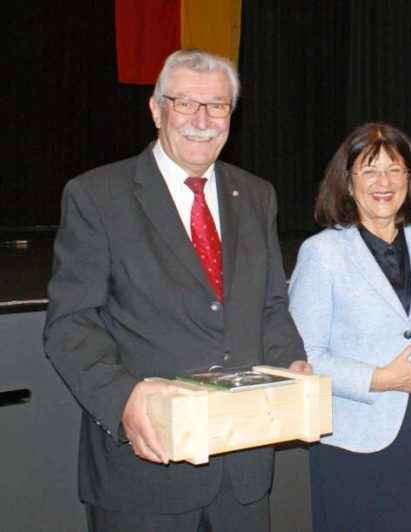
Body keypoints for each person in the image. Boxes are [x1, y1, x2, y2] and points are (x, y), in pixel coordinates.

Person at [43, 48, 309, 531]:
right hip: (146, 468)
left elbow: (271, 305)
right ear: (155, 108)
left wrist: (291, 363)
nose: (202, 120)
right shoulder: (96, 196)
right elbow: (71, 324)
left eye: (218, 105)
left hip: (243, 471)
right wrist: (124, 400)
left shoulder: (256, 195)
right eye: (185, 103)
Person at [288, 123, 411, 532]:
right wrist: (380, 378)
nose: (383, 182)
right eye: (369, 170)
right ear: (348, 183)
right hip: (355, 438)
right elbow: (306, 356)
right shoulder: (322, 253)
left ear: (410, 178)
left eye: (394, 169)